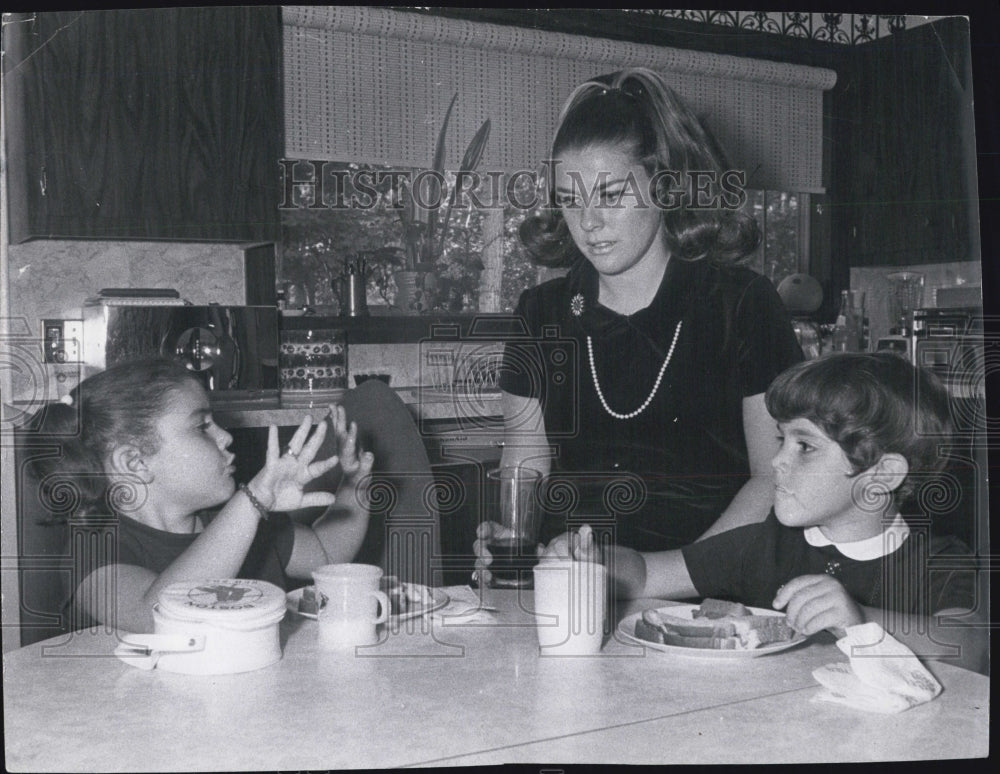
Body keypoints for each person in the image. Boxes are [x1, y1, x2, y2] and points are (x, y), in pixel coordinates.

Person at [476, 67, 802, 584]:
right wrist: (513, 544)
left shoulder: (742, 304)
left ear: (667, 187)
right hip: (576, 582)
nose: (588, 223)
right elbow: (526, 466)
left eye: (609, 194)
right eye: (569, 199)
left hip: (712, 585)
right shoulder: (540, 312)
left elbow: (774, 477)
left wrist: (659, 579)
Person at [545, 353, 987, 673]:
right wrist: (593, 559)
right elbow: (643, 574)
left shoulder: (938, 560)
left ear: (882, 474)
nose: (776, 461)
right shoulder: (762, 544)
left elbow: (970, 645)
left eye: (805, 446)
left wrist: (861, 620)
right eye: (781, 441)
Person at [27, 357, 374, 633]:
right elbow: (156, 615)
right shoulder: (96, 550)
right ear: (134, 462)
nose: (225, 437)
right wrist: (251, 503)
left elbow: (327, 552)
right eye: (202, 426)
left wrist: (355, 482)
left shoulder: (234, 519)